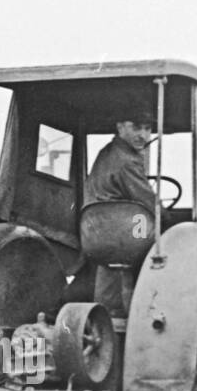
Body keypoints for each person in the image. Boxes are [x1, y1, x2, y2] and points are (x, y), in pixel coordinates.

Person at [84, 108, 155, 315]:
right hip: (121, 235)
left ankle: (108, 311)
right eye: (136, 127)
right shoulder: (127, 161)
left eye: (148, 128)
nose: (143, 135)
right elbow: (147, 200)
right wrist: (169, 220)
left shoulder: (107, 152)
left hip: (97, 232)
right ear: (120, 127)